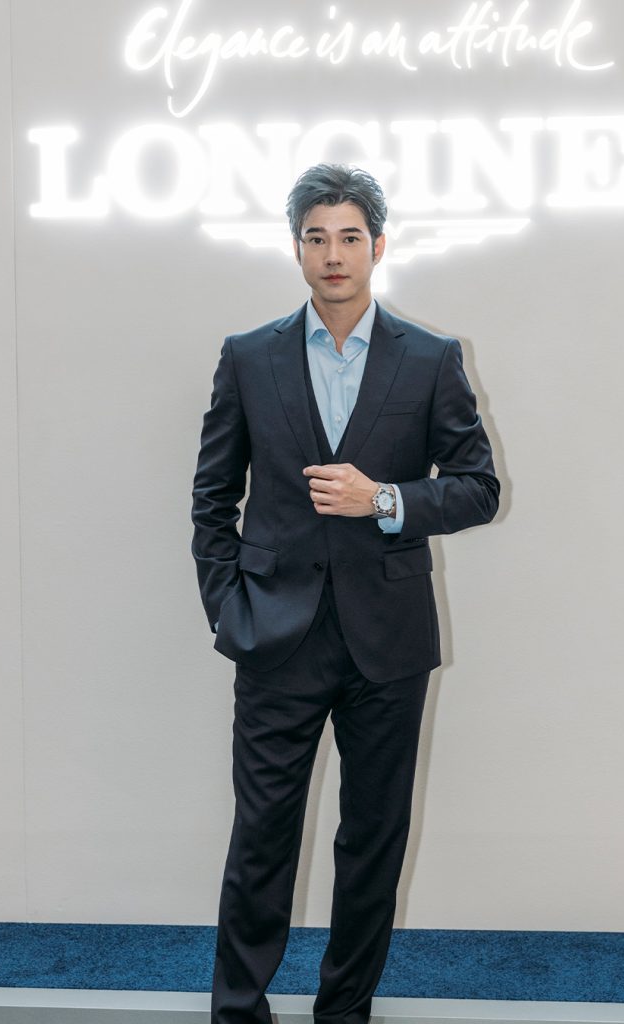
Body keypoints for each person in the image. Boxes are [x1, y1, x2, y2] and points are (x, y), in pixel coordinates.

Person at [191, 163, 500, 1024]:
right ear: (296, 249)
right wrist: (229, 607)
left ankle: (344, 1011)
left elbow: (478, 488)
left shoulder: (430, 358)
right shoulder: (248, 356)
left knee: (371, 838)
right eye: (316, 237)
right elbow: (211, 498)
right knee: (262, 834)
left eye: (350, 237)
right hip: (275, 635)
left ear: (378, 246)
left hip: (387, 640)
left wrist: (387, 500)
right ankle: (237, 1011)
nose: (333, 254)